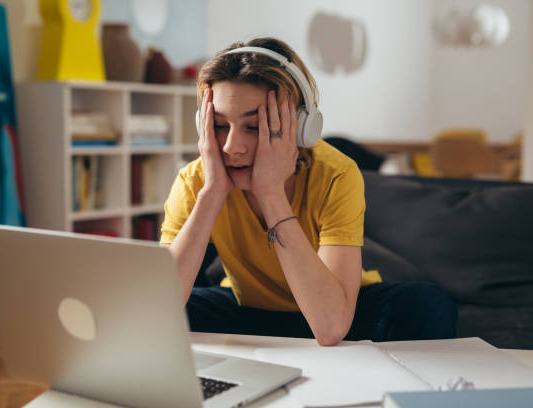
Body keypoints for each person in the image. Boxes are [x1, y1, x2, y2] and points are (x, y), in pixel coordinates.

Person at [160, 37, 457, 346]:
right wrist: (211, 194)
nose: (231, 147)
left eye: (254, 127)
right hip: (249, 310)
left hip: (331, 309)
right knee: (172, 306)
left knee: (425, 303)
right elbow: (158, 310)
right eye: (220, 125)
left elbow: (330, 327)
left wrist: (271, 194)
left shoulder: (337, 174)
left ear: (301, 126)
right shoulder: (196, 180)